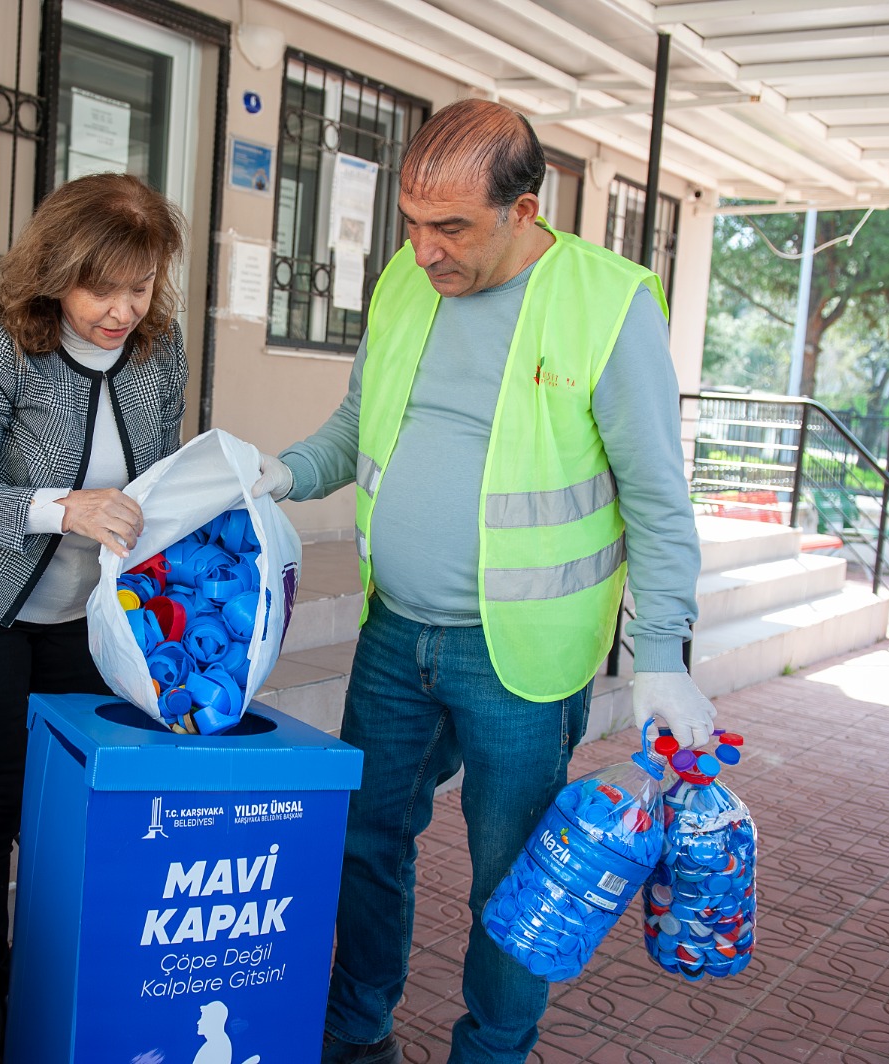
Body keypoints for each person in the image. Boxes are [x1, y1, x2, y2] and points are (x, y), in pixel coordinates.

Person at [249, 99, 718, 1063]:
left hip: (523, 661)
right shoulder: (405, 282)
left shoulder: (609, 302)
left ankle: (494, 1050)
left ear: (524, 209)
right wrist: (280, 474)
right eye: (412, 225)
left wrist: (665, 655)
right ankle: (358, 1032)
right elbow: (356, 426)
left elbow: (658, 498)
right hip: (396, 633)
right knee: (364, 842)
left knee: (514, 880)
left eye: (451, 227)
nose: (425, 251)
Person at [0, 172, 188, 1063]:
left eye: (139, 287)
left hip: (83, 618)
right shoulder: (2, 344)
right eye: (99, 287)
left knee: (74, 803)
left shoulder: (160, 348)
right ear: (56, 270)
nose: (121, 310)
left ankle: (56, 976)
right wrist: (63, 507)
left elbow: (156, 476)